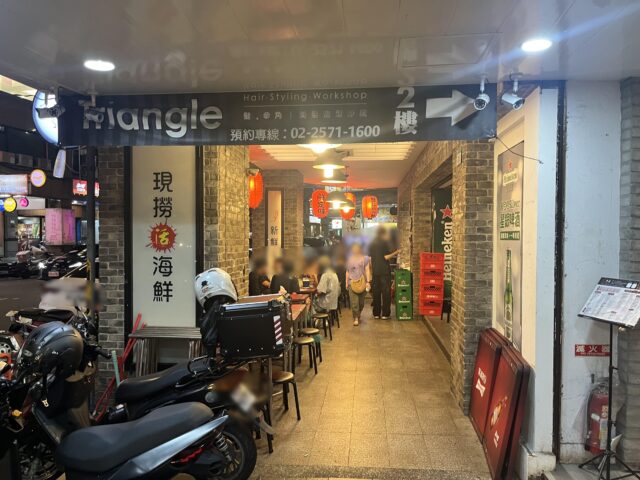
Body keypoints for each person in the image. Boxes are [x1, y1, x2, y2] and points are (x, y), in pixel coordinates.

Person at [368, 226, 399, 319]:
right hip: (384, 271)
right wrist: (396, 252)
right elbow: (386, 257)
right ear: (383, 233)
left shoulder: (371, 243)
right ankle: (385, 314)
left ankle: (376, 314)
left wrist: (371, 271)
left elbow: (370, 259)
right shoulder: (384, 242)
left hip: (375, 271)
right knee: (386, 293)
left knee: (376, 293)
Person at [346, 243, 370, 326]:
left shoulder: (365, 258)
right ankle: (355, 318)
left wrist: (368, 282)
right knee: (354, 302)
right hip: (352, 282)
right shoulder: (349, 259)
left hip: (362, 283)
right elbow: (347, 271)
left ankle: (358, 314)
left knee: (361, 303)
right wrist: (346, 282)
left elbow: (367, 270)